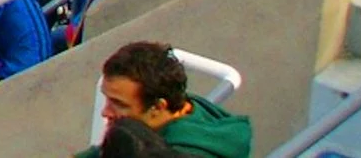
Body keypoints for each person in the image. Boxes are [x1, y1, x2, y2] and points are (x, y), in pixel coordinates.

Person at [71, 41, 253, 157]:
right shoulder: (181, 110)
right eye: (107, 99)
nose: (105, 112)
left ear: (158, 107)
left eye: (119, 104)